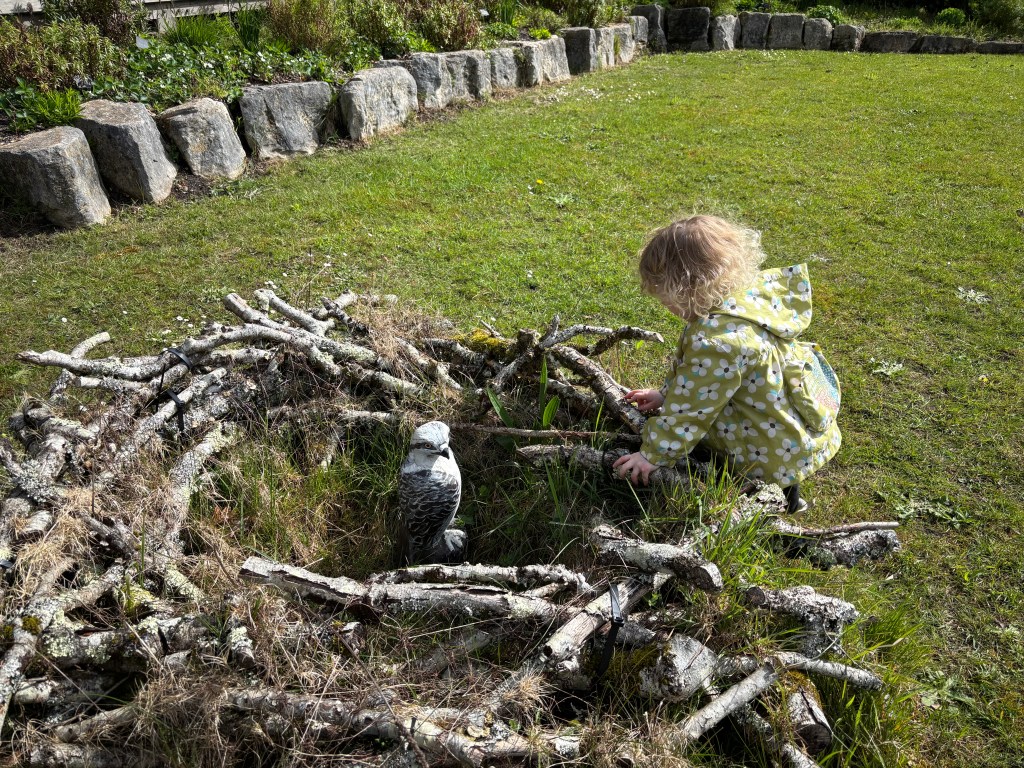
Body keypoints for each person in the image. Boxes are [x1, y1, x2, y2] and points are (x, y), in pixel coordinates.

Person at [612, 215, 842, 514]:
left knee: (763, 489)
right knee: (783, 476)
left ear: (688, 288)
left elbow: (694, 407)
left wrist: (652, 456)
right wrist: (666, 395)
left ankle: (774, 516)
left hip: (765, 443)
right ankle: (790, 500)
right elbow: (700, 380)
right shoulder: (743, 300)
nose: (665, 307)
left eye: (665, 297)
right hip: (784, 424)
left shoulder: (718, 342)